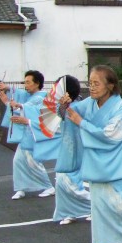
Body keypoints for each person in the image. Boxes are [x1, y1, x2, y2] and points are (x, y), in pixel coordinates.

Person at [59, 65, 122, 243]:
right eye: (90, 83)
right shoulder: (89, 103)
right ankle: (108, 240)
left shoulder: (120, 106)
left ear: (110, 86)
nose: (92, 87)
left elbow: (112, 134)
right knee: (99, 202)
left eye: (96, 83)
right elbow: (68, 114)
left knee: (118, 202)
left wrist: (81, 123)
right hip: (94, 159)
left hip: (116, 158)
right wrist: (64, 105)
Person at [0, 70, 55, 200]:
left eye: (28, 82)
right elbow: (19, 96)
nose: (26, 85)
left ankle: (48, 186)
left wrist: (9, 103)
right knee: (18, 160)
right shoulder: (29, 96)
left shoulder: (41, 97)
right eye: (25, 82)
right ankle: (21, 188)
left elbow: (25, 108)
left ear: (37, 84)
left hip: (36, 134)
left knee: (33, 161)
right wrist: (7, 89)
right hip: (28, 134)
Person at [51, 75, 92, 225]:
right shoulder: (62, 106)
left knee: (71, 181)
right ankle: (70, 211)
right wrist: (63, 107)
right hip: (67, 148)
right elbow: (60, 114)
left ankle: (97, 207)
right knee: (62, 180)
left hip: (81, 146)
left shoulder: (82, 105)